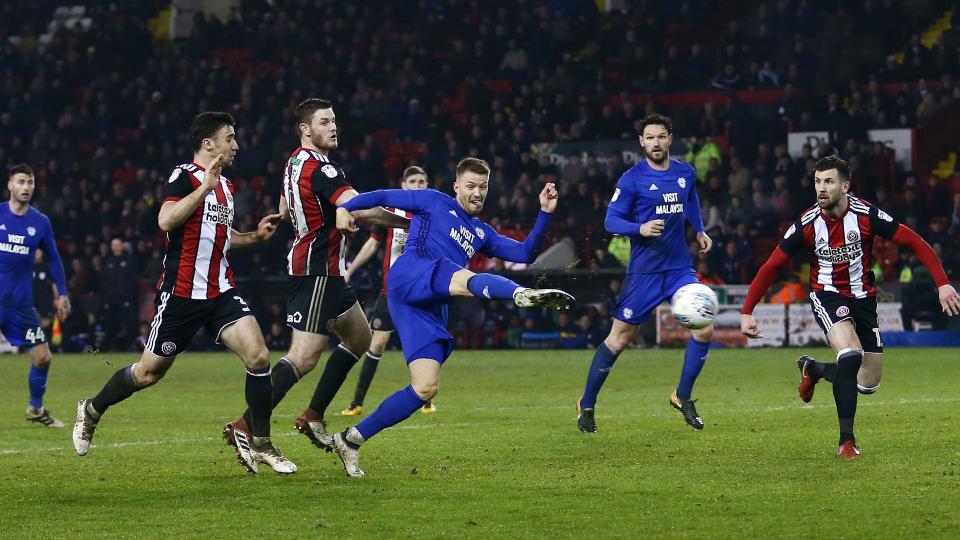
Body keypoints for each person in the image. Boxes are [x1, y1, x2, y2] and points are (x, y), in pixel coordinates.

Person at [72, 112, 295, 475]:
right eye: (230, 138)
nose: (236, 144)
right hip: (181, 293)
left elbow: (220, 238)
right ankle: (92, 409)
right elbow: (166, 220)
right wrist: (202, 190)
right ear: (209, 144)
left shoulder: (226, 187)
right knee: (148, 373)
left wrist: (253, 237)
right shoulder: (185, 176)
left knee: (258, 356)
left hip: (221, 290)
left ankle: (261, 441)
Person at [329, 157, 574, 476]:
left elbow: (526, 253)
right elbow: (383, 196)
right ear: (457, 186)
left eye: (483, 187)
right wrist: (345, 207)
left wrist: (545, 213)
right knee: (457, 272)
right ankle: (518, 293)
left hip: (429, 302)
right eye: (470, 186)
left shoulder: (481, 232)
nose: (477, 193)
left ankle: (350, 439)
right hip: (411, 274)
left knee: (425, 388)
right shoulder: (433, 200)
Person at [740, 155, 960, 458]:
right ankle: (847, 441)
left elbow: (915, 242)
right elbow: (771, 266)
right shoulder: (807, 223)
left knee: (868, 382)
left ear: (845, 186)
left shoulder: (867, 215)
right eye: (817, 181)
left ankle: (813, 368)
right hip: (827, 294)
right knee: (850, 353)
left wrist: (943, 282)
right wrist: (747, 310)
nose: (821, 188)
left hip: (864, 298)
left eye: (828, 181)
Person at [222, 98, 407, 453]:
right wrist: (407, 222)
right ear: (306, 129)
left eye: (334, 120)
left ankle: (312, 415)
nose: (333, 126)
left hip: (328, 271)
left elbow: (283, 209)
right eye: (324, 122)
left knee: (359, 338)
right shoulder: (323, 169)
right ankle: (246, 425)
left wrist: (303, 217)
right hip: (317, 270)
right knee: (305, 356)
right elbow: (361, 206)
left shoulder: (294, 162)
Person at [576, 113, 714, 434]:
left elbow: (690, 200)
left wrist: (700, 229)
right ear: (642, 142)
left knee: (704, 331)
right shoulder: (631, 179)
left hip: (679, 269)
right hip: (644, 274)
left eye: (661, 137)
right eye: (649, 137)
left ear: (670, 139)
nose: (655, 143)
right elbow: (611, 222)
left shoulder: (685, 173)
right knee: (618, 340)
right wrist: (639, 227)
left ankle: (682, 396)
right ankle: (587, 404)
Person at [340, 165, 436, 417]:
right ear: (403, 185)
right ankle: (357, 402)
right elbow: (372, 245)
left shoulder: (432, 215)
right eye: (413, 181)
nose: (418, 185)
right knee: (377, 343)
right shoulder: (391, 213)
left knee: (423, 344)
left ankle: (426, 399)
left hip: (423, 290)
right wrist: (349, 271)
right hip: (392, 290)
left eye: (422, 181)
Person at [1, 164, 71, 427]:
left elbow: (53, 258)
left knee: (43, 357)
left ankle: (35, 409)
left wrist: (63, 293)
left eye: (29, 182)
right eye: (20, 182)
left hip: (21, 306)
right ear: (10, 185)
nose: (26, 187)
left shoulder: (40, 222)